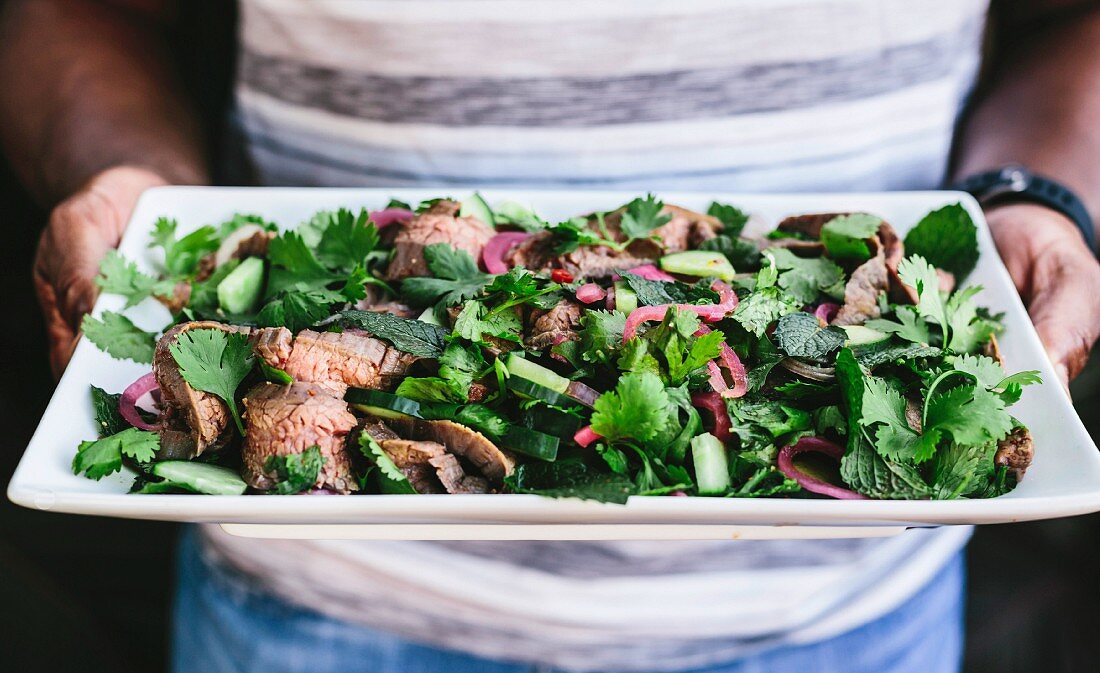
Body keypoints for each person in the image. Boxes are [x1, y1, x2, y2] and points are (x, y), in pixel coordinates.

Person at [2, 1, 1099, 672]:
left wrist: (1031, 199)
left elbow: (1068, 20)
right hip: (308, 604)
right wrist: (138, 196)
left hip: (837, 615)